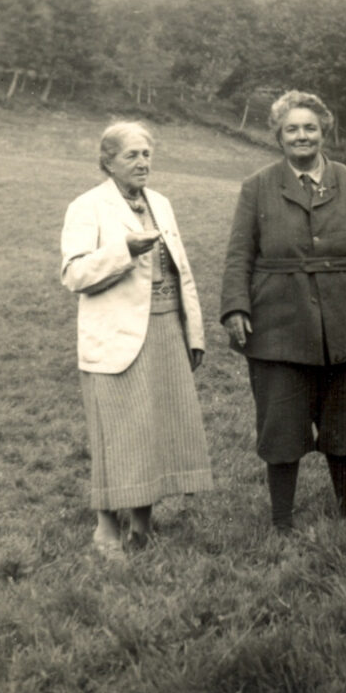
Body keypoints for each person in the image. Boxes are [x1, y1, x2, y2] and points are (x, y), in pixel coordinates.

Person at [220, 90, 346, 532]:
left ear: (323, 131)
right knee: (282, 424)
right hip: (279, 325)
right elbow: (239, 254)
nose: (301, 135)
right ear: (278, 136)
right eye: (291, 128)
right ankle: (282, 521)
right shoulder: (257, 187)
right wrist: (235, 306)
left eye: (310, 127)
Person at [61, 120, 213, 560]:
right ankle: (106, 530)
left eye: (147, 154)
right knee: (118, 432)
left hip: (166, 328)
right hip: (115, 336)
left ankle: (142, 525)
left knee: (156, 428)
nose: (143, 162)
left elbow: (180, 271)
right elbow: (73, 273)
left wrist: (193, 332)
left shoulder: (160, 203)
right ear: (108, 161)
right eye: (132, 155)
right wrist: (123, 250)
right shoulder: (87, 206)